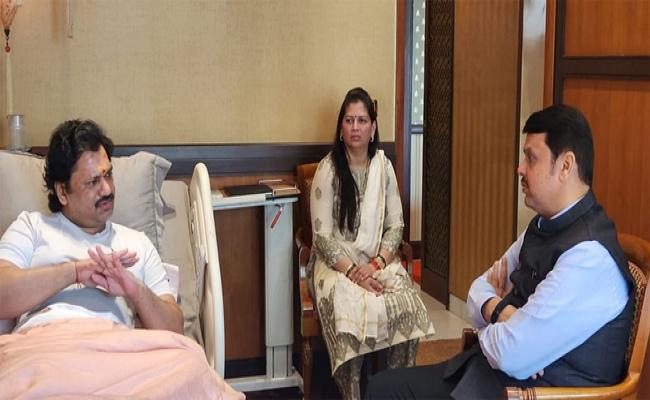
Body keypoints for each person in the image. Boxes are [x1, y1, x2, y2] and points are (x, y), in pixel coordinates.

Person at [366, 104, 635, 399]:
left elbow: (511, 353)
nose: (520, 168)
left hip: (533, 392)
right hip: (494, 377)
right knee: (383, 386)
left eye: (531, 158)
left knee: (386, 391)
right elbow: (476, 292)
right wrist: (502, 312)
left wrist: (496, 319)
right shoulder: (543, 225)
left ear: (565, 166)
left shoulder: (589, 257)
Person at [0, 120, 243, 399]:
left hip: (119, 354)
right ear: (62, 192)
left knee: (191, 365)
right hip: (48, 350)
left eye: (108, 175)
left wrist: (133, 289)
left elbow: (174, 330)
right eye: (93, 182)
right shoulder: (32, 227)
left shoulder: (137, 243)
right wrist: (74, 272)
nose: (107, 189)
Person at [308, 87, 434, 399]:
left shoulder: (383, 167)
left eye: (362, 120)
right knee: (350, 309)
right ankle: (352, 393)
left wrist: (376, 264)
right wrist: (355, 273)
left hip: (378, 261)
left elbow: (396, 225)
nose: (355, 127)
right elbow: (322, 238)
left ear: (373, 127)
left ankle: (394, 389)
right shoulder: (328, 169)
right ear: (340, 128)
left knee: (408, 304)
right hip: (335, 265)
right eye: (349, 120)